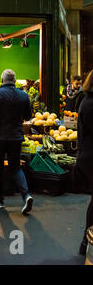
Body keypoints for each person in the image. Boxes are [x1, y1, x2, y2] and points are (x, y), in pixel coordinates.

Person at [0, 69, 34, 214]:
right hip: (16, 137)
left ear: (2, 80)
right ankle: (26, 195)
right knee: (16, 167)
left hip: (0, 138)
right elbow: (28, 116)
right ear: (15, 80)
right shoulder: (24, 95)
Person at [77, 70, 93, 255]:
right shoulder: (90, 104)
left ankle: (86, 242)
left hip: (86, 156)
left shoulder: (85, 102)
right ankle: (87, 242)